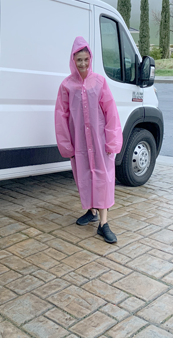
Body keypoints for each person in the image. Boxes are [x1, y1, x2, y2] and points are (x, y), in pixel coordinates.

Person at [54, 36, 123, 243]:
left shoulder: (99, 82)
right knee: (84, 177)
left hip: (100, 142)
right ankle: (91, 212)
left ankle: (104, 223)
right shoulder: (67, 86)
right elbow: (61, 116)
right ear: (73, 61)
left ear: (90, 59)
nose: (83, 64)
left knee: (102, 178)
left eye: (86, 59)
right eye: (79, 60)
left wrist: (112, 141)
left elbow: (110, 112)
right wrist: (67, 145)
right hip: (80, 143)